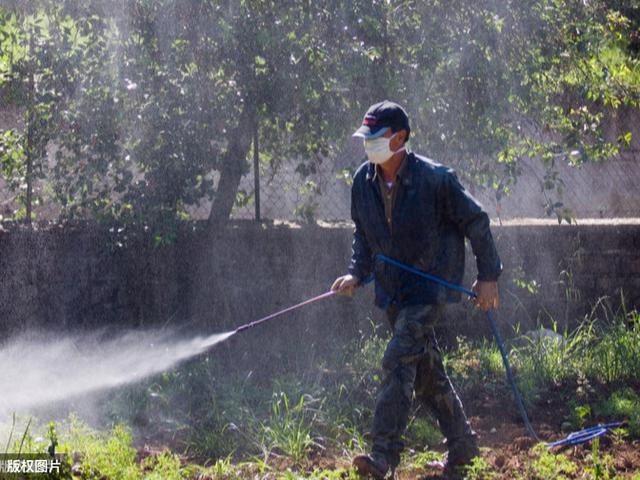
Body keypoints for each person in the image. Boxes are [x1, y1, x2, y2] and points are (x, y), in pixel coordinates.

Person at [331, 100, 502, 479]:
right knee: (425, 372)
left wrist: (488, 275)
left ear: (400, 138)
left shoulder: (436, 180)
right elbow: (363, 233)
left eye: (375, 137)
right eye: (366, 138)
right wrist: (355, 275)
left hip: (430, 290)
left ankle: (384, 455)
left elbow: (477, 220)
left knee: (397, 361)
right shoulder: (363, 180)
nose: (368, 145)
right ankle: (464, 447)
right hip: (394, 292)